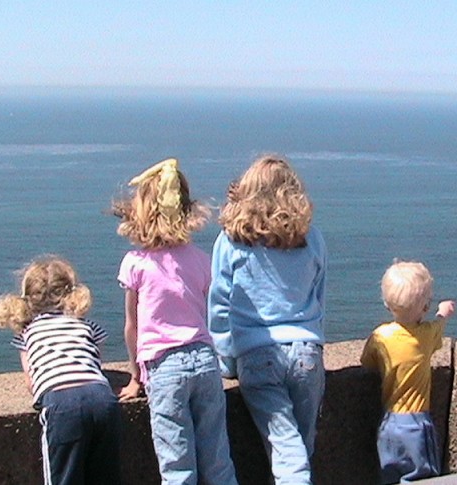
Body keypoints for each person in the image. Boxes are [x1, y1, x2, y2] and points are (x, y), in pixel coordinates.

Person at [113, 158, 238, 485]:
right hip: (205, 361)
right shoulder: (200, 260)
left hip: (164, 368)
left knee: (178, 467)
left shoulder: (137, 263)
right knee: (218, 459)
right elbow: (208, 311)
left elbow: (133, 327)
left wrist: (135, 378)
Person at [209, 155, 327, 485]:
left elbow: (219, 305)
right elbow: (319, 295)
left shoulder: (231, 240)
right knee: (300, 449)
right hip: (306, 351)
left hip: (257, 354)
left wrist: (226, 358)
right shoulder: (311, 237)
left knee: (288, 453)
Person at [0, 256, 121, 485]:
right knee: (105, 476)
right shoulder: (86, 325)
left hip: (62, 404)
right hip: (103, 399)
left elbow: (31, 381)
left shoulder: (27, 333)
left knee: (63, 477)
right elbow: (95, 360)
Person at [360, 260, 456, 484]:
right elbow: (439, 324)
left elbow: (367, 362)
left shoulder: (380, 336)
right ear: (425, 307)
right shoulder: (426, 334)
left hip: (389, 424)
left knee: (390, 477)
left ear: (387, 303)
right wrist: (443, 312)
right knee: (423, 478)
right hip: (417, 423)